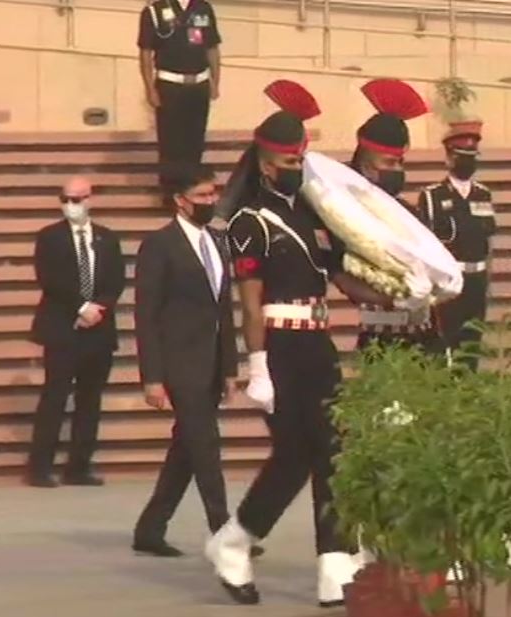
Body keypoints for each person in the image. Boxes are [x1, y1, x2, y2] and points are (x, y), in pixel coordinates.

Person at [205, 80, 397, 607]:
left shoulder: (310, 213)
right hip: (280, 345)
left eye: (301, 157)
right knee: (304, 452)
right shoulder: (250, 221)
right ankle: (254, 546)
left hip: (317, 343)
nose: (297, 166)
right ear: (266, 165)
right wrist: (258, 364)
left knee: (321, 453)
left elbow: (340, 276)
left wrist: (391, 296)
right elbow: (249, 300)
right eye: (289, 160)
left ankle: (303, 558)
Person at [131, 164, 238, 558]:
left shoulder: (216, 241)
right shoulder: (159, 245)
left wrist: (230, 367)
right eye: (202, 196)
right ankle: (224, 530)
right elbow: (146, 314)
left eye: (213, 194)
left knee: (187, 449)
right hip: (179, 363)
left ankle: (150, 528)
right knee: (205, 445)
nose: (210, 202)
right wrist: (152, 377)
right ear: (180, 200)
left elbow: (224, 309)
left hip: (210, 363)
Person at [26, 176, 126, 488]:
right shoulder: (49, 237)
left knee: (90, 399)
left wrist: (99, 308)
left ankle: (78, 466)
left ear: (91, 199)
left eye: (78, 199)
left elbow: (116, 280)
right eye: (66, 199)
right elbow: (49, 278)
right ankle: (40, 467)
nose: (72, 206)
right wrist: (80, 307)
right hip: (62, 327)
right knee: (55, 396)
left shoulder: (107, 238)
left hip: (99, 329)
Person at [350, 79, 437, 351]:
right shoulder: (350, 214)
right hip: (379, 336)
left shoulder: (412, 213)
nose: (397, 170)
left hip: (421, 333)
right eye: (389, 163)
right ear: (365, 165)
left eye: (400, 162)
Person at [419, 120, 494, 370]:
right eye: (462, 156)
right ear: (449, 157)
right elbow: (426, 243)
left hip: (477, 279)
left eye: (472, 157)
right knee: (447, 342)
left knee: (472, 342)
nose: (468, 162)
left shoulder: (483, 194)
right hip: (450, 280)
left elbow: (487, 238)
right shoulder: (433, 196)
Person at [137, 0, 221, 201]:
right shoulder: (154, 11)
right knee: (171, 142)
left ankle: (192, 189)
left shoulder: (203, 8)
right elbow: (145, 53)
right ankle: (170, 193)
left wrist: (215, 81)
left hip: (199, 84)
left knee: (195, 140)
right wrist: (150, 88)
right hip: (170, 85)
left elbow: (212, 47)